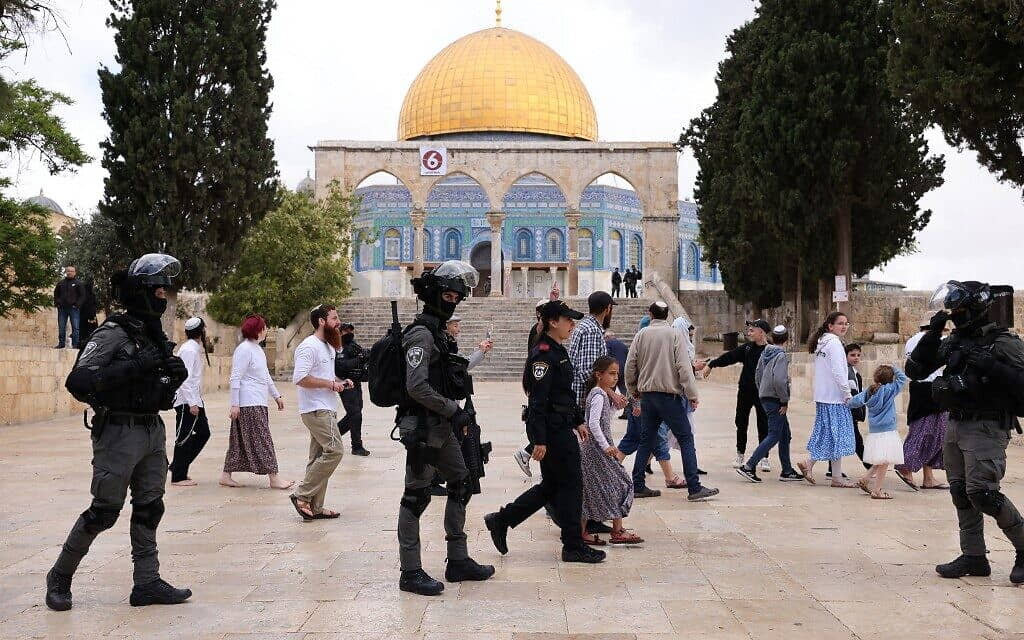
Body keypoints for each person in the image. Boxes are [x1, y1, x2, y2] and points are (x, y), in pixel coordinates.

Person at [47, 253, 191, 611]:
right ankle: (60, 576)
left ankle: (147, 582)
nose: (163, 296)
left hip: (151, 430)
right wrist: (135, 365)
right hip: (118, 432)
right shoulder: (112, 332)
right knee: (104, 511)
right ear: (141, 292)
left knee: (149, 507)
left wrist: (172, 374)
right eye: (158, 290)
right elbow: (78, 381)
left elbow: (158, 382)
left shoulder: (153, 335)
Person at [906, 280, 1024, 584]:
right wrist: (933, 333)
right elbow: (916, 370)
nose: (954, 315)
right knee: (960, 491)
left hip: (986, 425)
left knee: (982, 493)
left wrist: (993, 367)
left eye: (958, 310)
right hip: (956, 423)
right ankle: (973, 556)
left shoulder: (1003, 343)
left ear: (974, 309)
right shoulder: (956, 341)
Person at [394, 261, 494, 595]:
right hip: (422, 428)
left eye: (458, 296)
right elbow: (416, 387)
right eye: (449, 295)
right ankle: (410, 571)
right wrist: (454, 410)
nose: (454, 301)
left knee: (461, 482)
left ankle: (458, 559)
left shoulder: (438, 331)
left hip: (443, 425)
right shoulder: (421, 334)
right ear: (435, 296)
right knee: (416, 497)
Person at [485, 300, 606, 564]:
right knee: (572, 484)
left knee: (552, 486)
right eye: (568, 320)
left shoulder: (557, 351)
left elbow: (562, 394)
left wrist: (577, 420)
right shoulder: (543, 355)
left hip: (561, 426)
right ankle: (572, 545)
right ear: (553, 322)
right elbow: (538, 401)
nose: (572, 325)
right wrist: (538, 439)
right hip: (553, 431)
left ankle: (502, 520)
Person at [625, 301, 718, 501]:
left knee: (646, 440)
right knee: (685, 438)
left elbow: (630, 366)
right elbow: (684, 368)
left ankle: (638, 485)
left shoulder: (641, 335)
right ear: (667, 315)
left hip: (648, 396)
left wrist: (634, 391)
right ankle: (694, 487)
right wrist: (692, 395)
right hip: (669, 397)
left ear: (651, 314)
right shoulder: (674, 335)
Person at [289, 304, 353, 521]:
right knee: (335, 450)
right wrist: (329, 385)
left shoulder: (327, 346)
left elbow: (326, 375)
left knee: (318, 457)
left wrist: (340, 382)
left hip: (326, 407)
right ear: (321, 321)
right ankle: (301, 494)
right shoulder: (309, 346)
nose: (339, 322)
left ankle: (315, 507)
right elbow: (300, 378)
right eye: (334, 318)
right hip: (316, 409)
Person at [221, 314, 292, 490]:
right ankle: (274, 477)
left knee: (238, 440)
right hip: (248, 403)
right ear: (258, 330)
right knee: (263, 439)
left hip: (258, 402)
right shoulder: (244, 349)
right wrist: (235, 404)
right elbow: (235, 377)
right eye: (265, 327)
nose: (267, 330)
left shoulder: (257, 349)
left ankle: (225, 475)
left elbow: (265, 376)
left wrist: (277, 396)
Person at [580, 355, 643, 545]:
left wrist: (616, 406)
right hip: (597, 449)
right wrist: (606, 446)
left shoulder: (599, 394)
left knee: (591, 489)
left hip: (594, 448)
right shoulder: (598, 394)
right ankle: (616, 530)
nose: (616, 378)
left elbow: (603, 419)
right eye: (612, 374)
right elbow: (593, 423)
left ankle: (592, 530)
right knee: (621, 482)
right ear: (599, 375)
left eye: (617, 374)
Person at [697, 319, 771, 471]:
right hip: (745, 392)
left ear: (762, 332)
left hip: (763, 393)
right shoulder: (747, 348)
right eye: (748, 330)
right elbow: (729, 357)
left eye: (752, 330)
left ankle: (764, 457)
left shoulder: (770, 350)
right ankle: (740, 453)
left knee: (763, 424)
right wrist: (712, 364)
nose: (749, 332)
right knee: (741, 422)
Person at [736, 325, 803, 482]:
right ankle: (749, 466)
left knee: (785, 434)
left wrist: (762, 391)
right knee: (774, 434)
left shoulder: (765, 352)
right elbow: (780, 380)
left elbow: (757, 374)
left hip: (766, 397)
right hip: (776, 400)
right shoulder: (780, 355)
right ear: (787, 339)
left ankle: (787, 470)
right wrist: (784, 400)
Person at [797, 312, 857, 488]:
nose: (844, 326)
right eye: (840, 323)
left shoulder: (822, 343)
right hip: (835, 398)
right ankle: (812, 465)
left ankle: (831, 474)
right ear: (830, 326)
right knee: (835, 436)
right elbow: (839, 372)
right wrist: (847, 393)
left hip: (824, 397)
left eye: (846, 323)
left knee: (830, 435)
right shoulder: (835, 344)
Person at [894, 318, 948, 491]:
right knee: (926, 432)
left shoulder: (912, 340)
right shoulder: (929, 341)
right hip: (930, 390)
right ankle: (906, 467)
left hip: (920, 388)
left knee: (933, 432)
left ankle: (928, 477)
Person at [850, 365, 908, 500]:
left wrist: (846, 402)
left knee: (881, 460)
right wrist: (893, 368)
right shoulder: (890, 389)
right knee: (885, 461)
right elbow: (902, 378)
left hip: (875, 431)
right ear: (890, 378)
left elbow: (854, 401)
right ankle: (877, 490)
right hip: (888, 430)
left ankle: (865, 479)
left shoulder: (869, 391)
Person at [169, 317, 210, 487]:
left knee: (203, 433)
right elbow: (183, 379)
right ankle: (178, 476)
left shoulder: (193, 348)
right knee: (184, 437)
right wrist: (192, 403)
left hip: (194, 400)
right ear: (200, 332)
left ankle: (178, 465)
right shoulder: (189, 350)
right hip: (187, 402)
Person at [336, 323, 370, 457]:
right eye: (345, 331)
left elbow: (362, 361)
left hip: (356, 382)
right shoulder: (337, 347)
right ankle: (356, 446)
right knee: (355, 414)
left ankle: (332, 436)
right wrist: (359, 359)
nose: (349, 333)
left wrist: (365, 356)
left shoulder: (353, 346)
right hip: (344, 383)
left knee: (355, 414)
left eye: (350, 330)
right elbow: (342, 366)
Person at [54, 265, 84, 349]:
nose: (70, 272)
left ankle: (75, 344)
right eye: (68, 271)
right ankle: (61, 344)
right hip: (62, 309)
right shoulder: (61, 283)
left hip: (74, 309)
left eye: (71, 271)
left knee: (75, 327)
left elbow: (82, 296)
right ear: (66, 272)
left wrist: (77, 305)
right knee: (61, 327)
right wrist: (57, 304)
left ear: (75, 273)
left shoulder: (78, 283)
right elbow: (56, 294)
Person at [604, 330, 629, 417]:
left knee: (610, 392)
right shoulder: (623, 345)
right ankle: (627, 412)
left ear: (607, 337)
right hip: (624, 370)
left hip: (613, 371)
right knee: (624, 391)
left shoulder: (608, 344)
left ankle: (607, 411)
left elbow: (607, 357)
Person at [78, 277, 99, 346]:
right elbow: (93, 305)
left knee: (83, 330)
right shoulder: (91, 295)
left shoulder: (82, 295)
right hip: (90, 315)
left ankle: (81, 342)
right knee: (91, 329)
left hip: (83, 316)